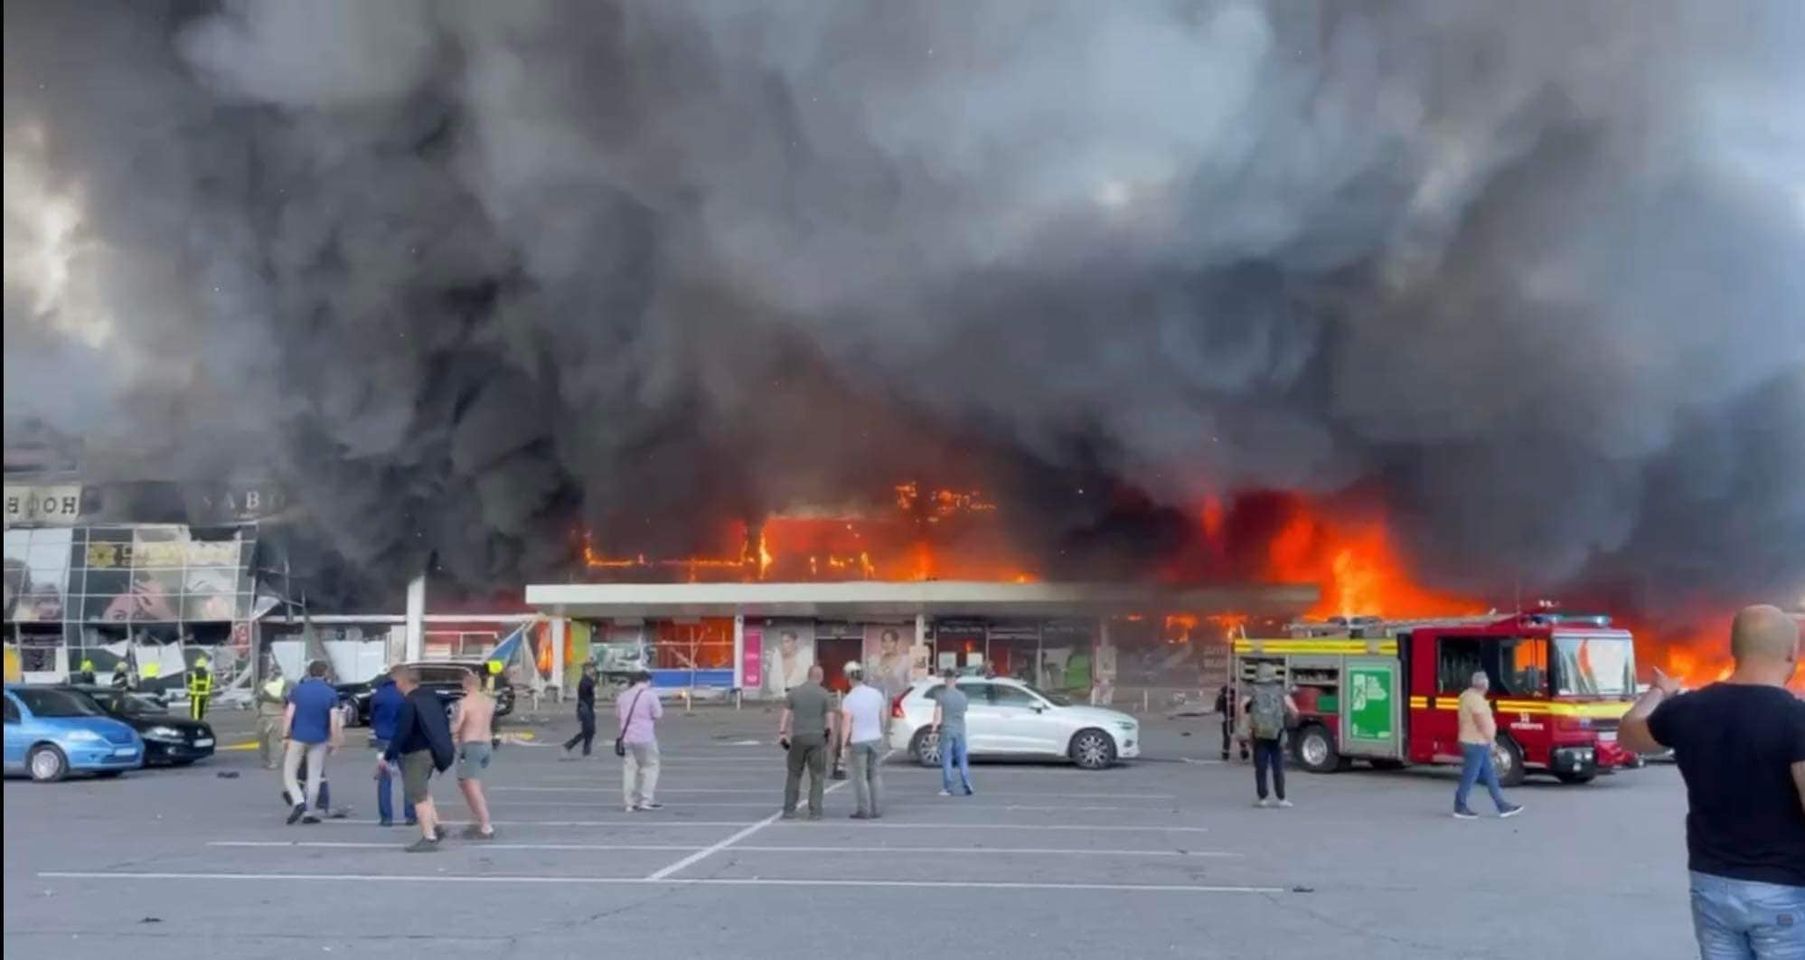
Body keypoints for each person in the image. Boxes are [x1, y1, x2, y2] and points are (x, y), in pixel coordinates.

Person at [1619, 604, 1804, 958]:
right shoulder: (1796, 719)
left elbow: (1628, 735)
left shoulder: (1688, 709)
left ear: (1735, 650)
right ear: (1791, 652)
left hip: (1711, 886)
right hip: (1784, 892)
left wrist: (1660, 691)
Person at [378, 665, 456, 853]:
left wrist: (388, 757)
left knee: (417, 796)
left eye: (395, 682)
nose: (395, 686)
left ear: (402, 681)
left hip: (415, 753)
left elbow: (401, 733)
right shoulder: (430, 697)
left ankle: (428, 837)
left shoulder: (410, 702)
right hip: (432, 751)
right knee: (424, 791)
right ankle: (436, 826)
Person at [1453, 670, 1524, 820]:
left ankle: (1502, 806)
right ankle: (1460, 806)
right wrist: (1491, 740)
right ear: (1484, 685)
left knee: (1491, 775)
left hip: (1478, 742)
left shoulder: (1468, 696)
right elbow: (1481, 722)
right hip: (1475, 742)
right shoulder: (1475, 700)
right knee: (1470, 776)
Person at [282, 660, 342, 825]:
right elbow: (334, 720)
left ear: (309, 673)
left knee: (289, 773)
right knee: (314, 775)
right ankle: (309, 812)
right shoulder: (330, 693)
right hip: (319, 739)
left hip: (298, 736)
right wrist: (335, 741)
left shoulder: (298, 690)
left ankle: (298, 801)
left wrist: (285, 735)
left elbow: (289, 715)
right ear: (325, 673)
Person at [779, 664, 833, 819]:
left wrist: (782, 733)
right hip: (817, 739)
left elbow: (786, 714)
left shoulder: (794, 693)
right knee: (817, 776)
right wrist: (829, 735)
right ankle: (815, 811)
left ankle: (789, 809)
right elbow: (830, 719)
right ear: (820, 677)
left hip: (798, 738)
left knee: (794, 774)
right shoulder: (824, 694)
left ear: (808, 675)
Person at [1244, 664, 1299, 808]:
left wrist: (1243, 726)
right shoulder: (1280, 689)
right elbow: (1294, 710)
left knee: (1260, 767)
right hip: (1277, 734)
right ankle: (1281, 798)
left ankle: (1262, 798)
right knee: (1278, 767)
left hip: (1259, 733)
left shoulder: (1253, 689)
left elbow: (1241, 706)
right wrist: (1291, 721)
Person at [453, 669, 497, 839]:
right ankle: (478, 820)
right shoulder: (489, 702)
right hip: (486, 744)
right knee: (466, 783)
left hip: (470, 745)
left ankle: (485, 824)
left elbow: (457, 726)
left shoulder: (464, 703)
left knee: (471, 786)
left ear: (466, 685)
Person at [368, 671, 416, 827]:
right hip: (404, 739)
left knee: (385, 779)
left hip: (383, 739)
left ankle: (386, 818)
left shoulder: (378, 696)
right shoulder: (405, 694)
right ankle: (410, 815)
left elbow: (372, 717)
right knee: (408, 778)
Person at [840, 661, 885, 820]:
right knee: (875, 774)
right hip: (875, 738)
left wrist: (843, 744)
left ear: (850, 680)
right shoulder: (877, 694)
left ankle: (863, 809)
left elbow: (847, 723)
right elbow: (882, 717)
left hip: (858, 740)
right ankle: (877, 808)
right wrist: (882, 733)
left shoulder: (848, 699)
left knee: (860, 777)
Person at [617, 669, 663, 812]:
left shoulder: (623, 696)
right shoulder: (650, 695)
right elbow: (658, 714)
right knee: (650, 767)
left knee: (629, 770)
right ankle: (645, 800)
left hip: (627, 737)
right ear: (647, 680)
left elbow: (618, 715)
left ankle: (629, 802)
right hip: (645, 737)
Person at [932, 669, 973, 797]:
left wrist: (934, 728)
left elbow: (937, 714)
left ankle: (948, 787)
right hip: (960, 730)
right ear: (955, 681)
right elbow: (964, 711)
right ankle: (967, 784)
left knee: (947, 760)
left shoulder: (941, 695)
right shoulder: (963, 696)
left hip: (947, 730)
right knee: (962, 759)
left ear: (945, 680)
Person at [256, 666, 291, 771]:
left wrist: (268, 696)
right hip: (263, 715)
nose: (274, 674)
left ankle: (274, 761)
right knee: (263, 741)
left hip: (277, 715)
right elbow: (259, 696)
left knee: (275, 741)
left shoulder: (286, 684)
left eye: (276, 672)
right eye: (272, 671)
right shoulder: (264, 682)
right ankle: (266, 760)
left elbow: (284, 698)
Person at [563, 662, 599, 758]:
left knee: (590, 730)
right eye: (592, 668)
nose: (594, 670)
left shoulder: (588, 680)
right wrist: (593, 684)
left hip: (588, 708)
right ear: (587, 669)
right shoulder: (585, 681)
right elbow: (586, 692)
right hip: (585, 708)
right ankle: (571, 745)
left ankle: (584, 750)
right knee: (588, 730)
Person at [1214, 683, 1249, 762]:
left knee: (1227, 736)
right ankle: (1244, 752)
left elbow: (1217, 709)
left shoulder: (1222, 697)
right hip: (1238, 717)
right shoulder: (1238, 696)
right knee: (1240, 735)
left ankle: (1225, 753)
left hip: (1227, 718)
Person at [187, 655, 213, 721]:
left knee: (195, 712)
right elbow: (210, 686)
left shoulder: (192, 675)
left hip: (195, 696)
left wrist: (189, 694)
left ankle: (196, 723)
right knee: (202, 711)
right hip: (204, 696)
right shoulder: (209, 676)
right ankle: (200, 722)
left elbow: (189, 686)